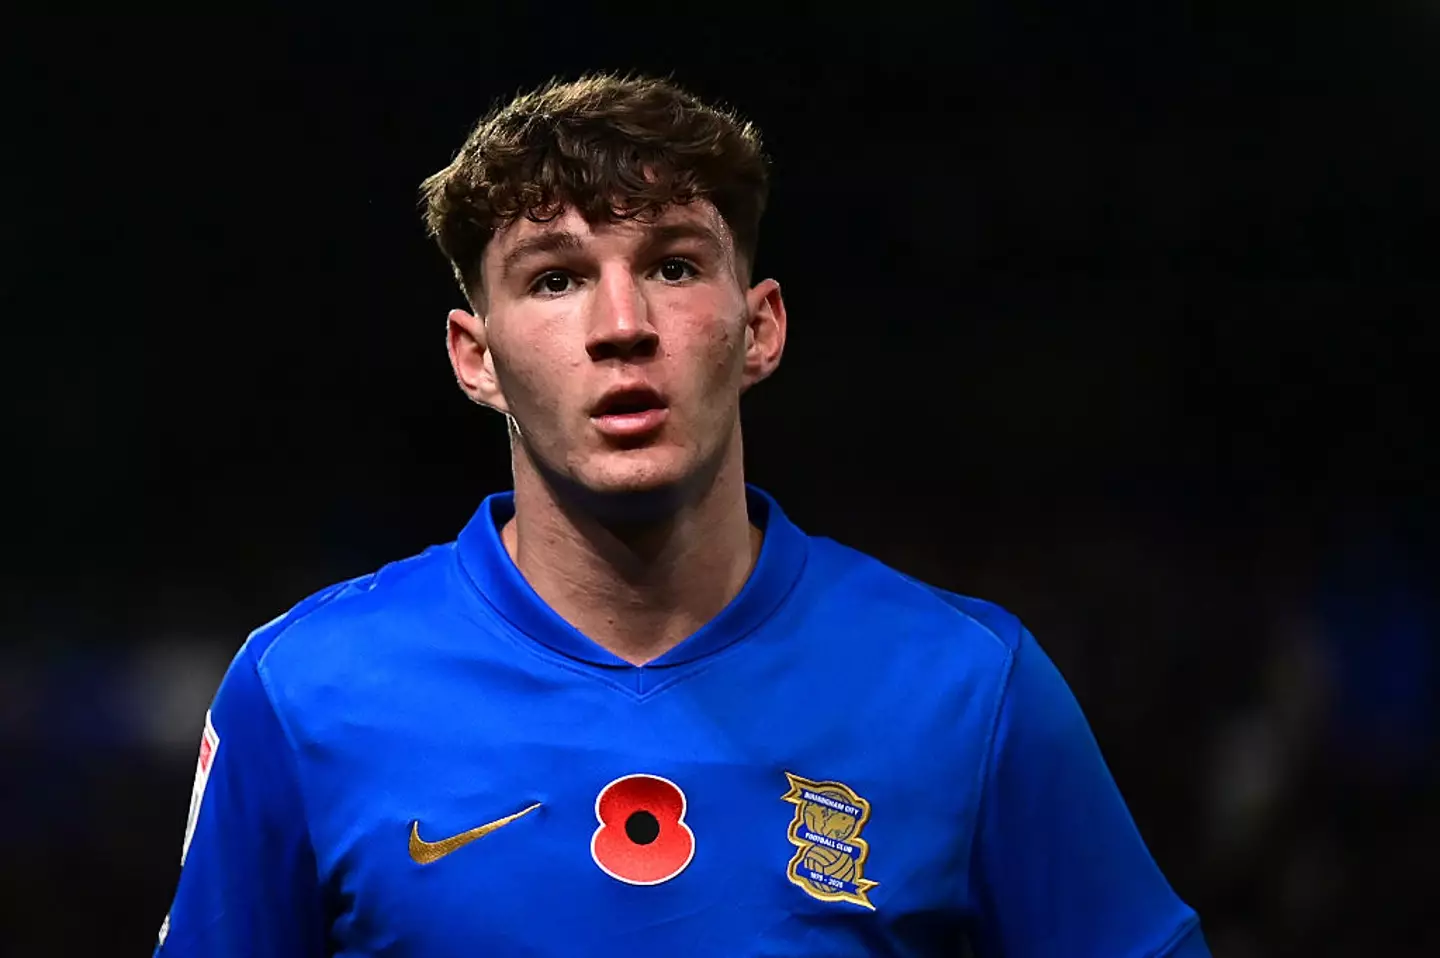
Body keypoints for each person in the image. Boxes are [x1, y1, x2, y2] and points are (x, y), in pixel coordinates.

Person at [154, 73, 1209, 957]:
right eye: (558, 277)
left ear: (760, 328)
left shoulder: (970, 685)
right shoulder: (302, 694)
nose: (623, 326)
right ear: (476, 358)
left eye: (672, 264)